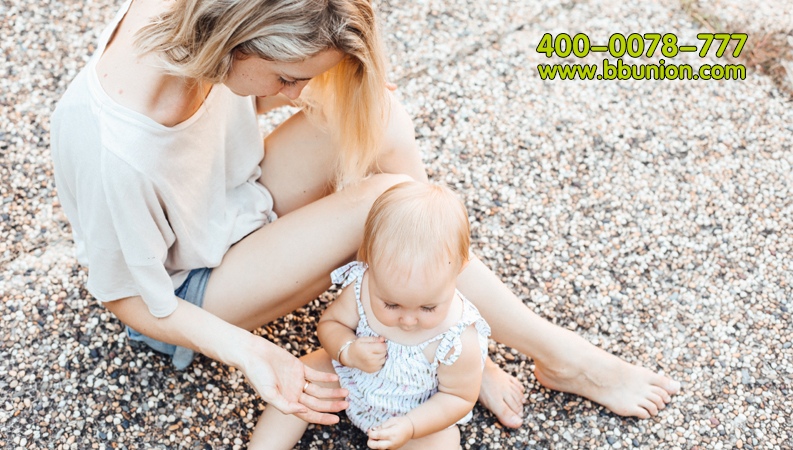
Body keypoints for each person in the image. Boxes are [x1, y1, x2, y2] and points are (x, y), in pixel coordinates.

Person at [50, 0, 680, 432]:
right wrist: (252, 353)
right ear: (232, 42)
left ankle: (441, 326)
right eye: (287, 78)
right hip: (188, 291)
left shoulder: (198, 20)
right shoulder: (116, 150)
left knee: (378, 113)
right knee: (385, 202)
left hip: (231, 202)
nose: (296, 95)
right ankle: (554, 354)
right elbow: (127, 298)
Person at [251, 182, 490, 450]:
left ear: (460, 268)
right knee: (301, 378)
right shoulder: (362, 286)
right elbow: (331, 323)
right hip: (352, 379)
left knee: (442, 442)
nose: (408, 320)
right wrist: (347, 350)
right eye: (391, 304)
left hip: (417, 413)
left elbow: (457, 398)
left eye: (427, 308)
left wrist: (411, 426)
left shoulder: (457, 339)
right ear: (369, 263)